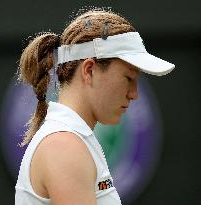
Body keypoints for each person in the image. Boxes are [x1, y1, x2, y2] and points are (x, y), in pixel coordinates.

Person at [15, 8, 175, 205]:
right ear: (89, 70)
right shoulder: (64, 145)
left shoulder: (70, 139)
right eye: (128, 78)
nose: (134, 94)